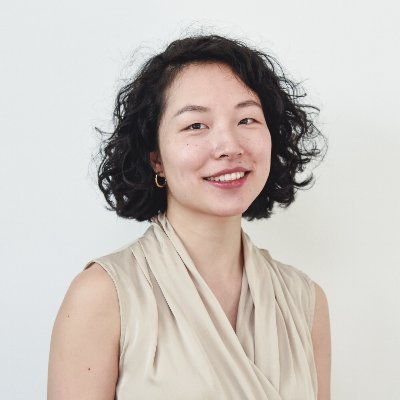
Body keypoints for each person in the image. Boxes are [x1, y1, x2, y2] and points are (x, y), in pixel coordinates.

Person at [48, 34, 331, 399]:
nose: (229, 146)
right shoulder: (102, 296)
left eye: (246, 119)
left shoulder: (306, 301)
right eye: (196, 125)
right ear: (156, 157)